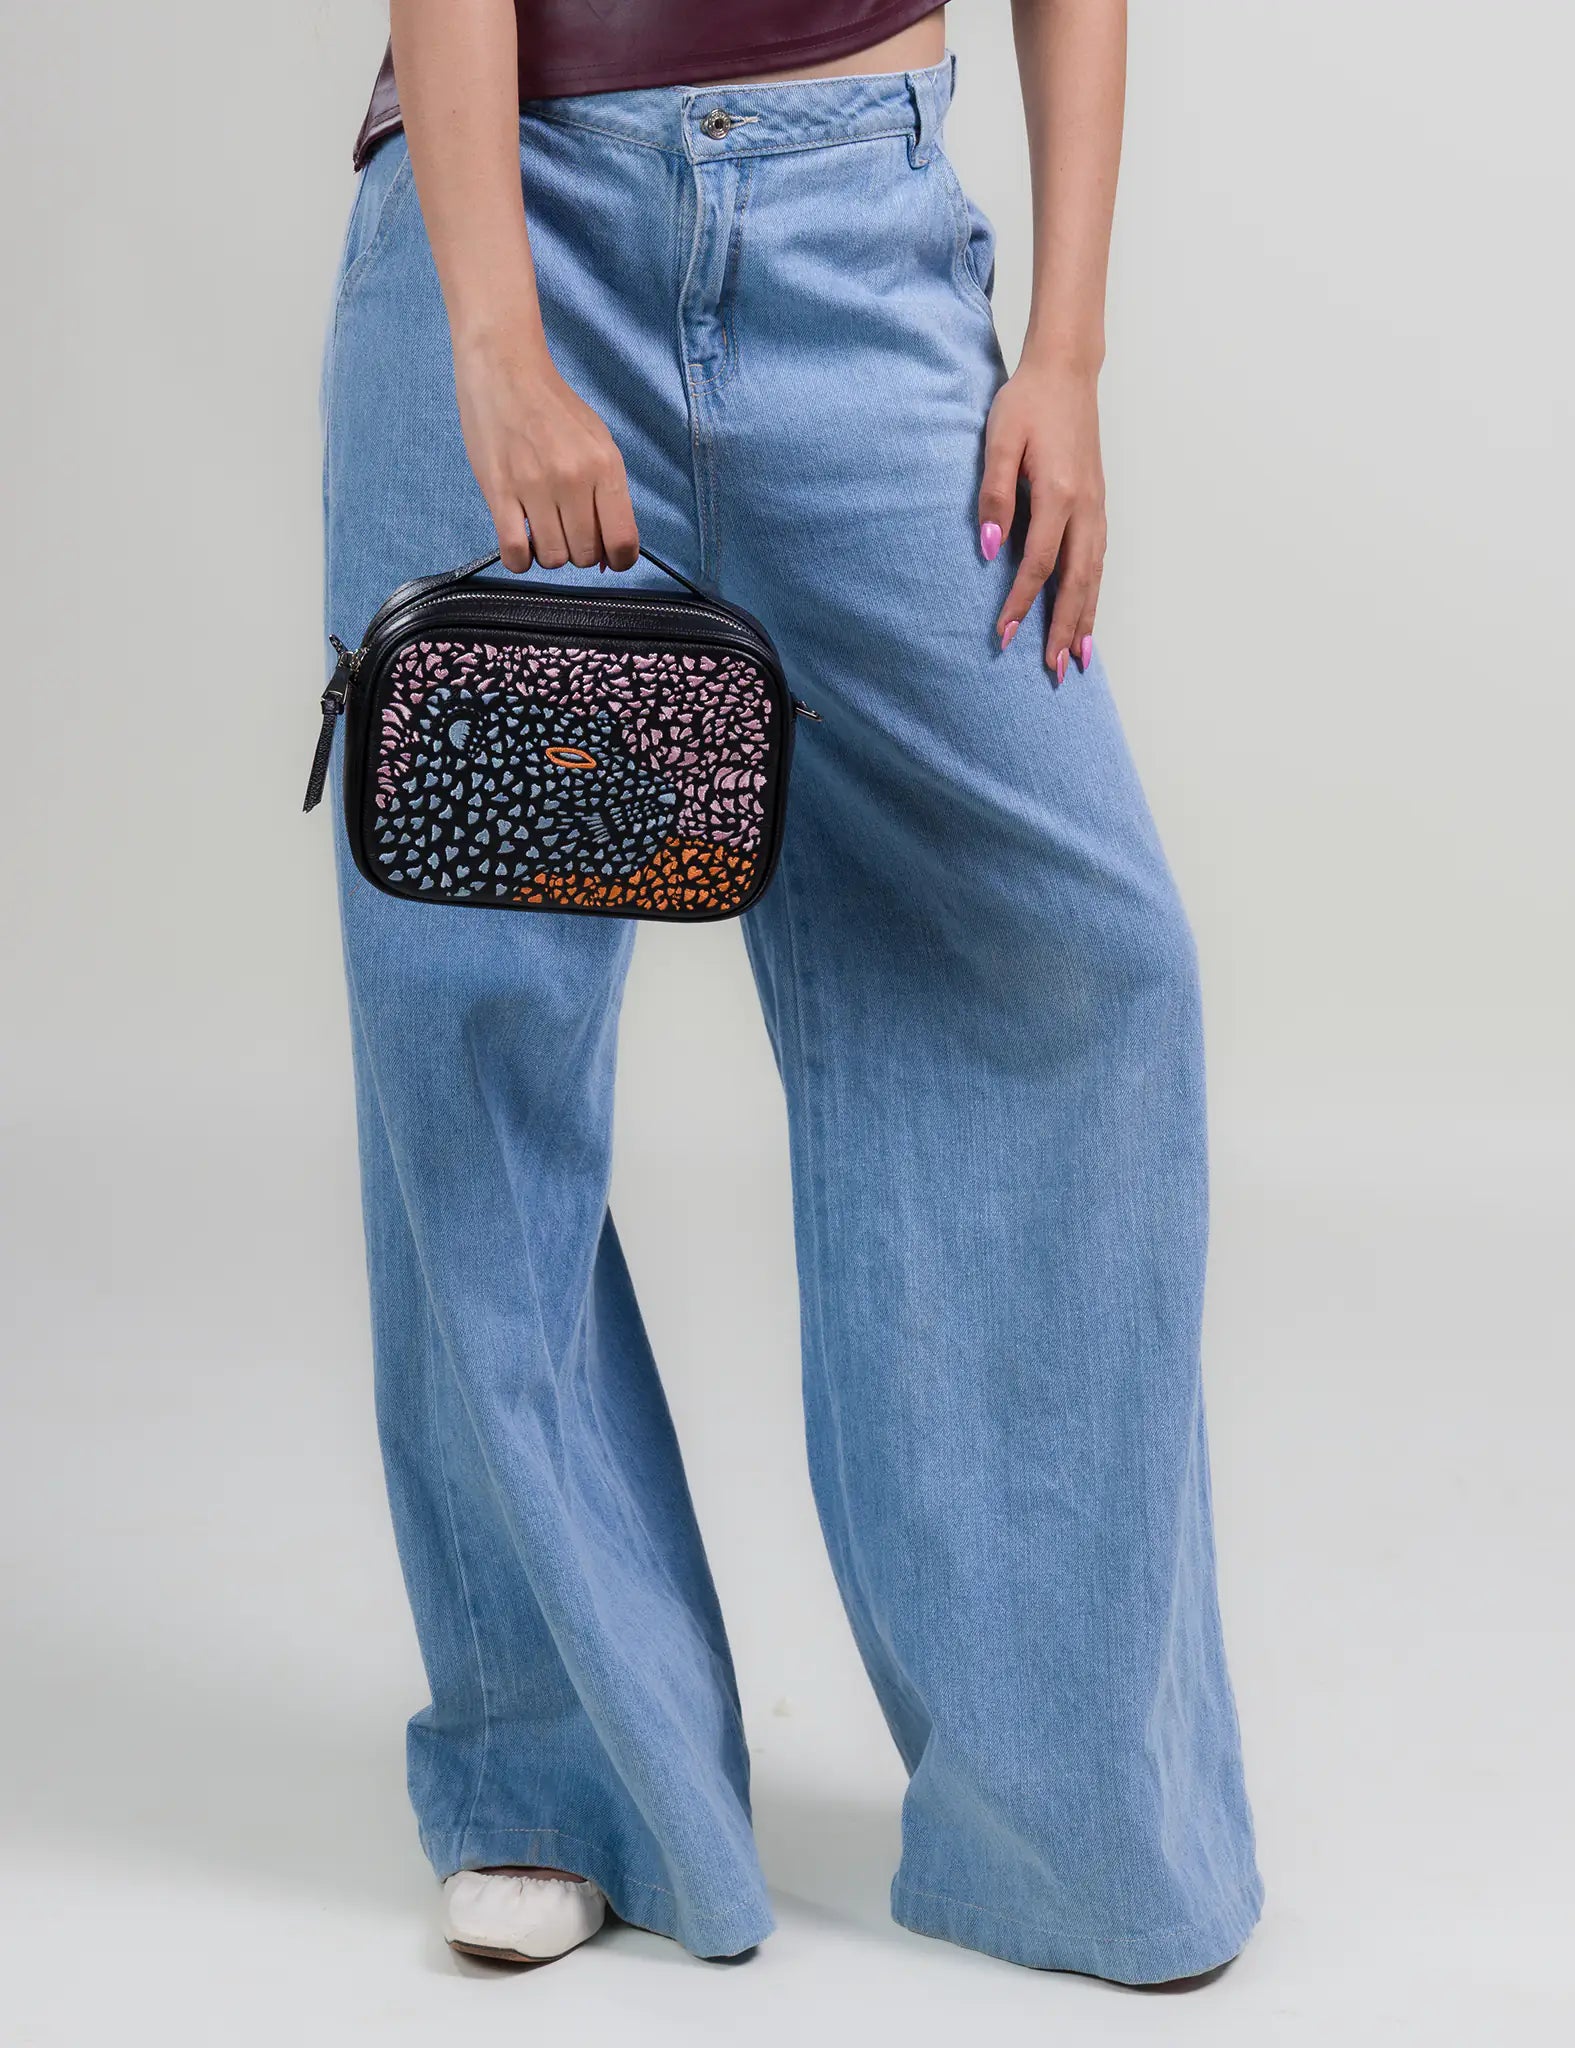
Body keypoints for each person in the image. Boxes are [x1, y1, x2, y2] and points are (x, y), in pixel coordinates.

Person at [321, 0, 1263, 1986]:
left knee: (1073, 960)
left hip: (860, 234)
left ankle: (1064, 1808)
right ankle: (555, 1773)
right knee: (473, 1027)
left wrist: (1068, 348)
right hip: (513, 227)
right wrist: (492, 331)